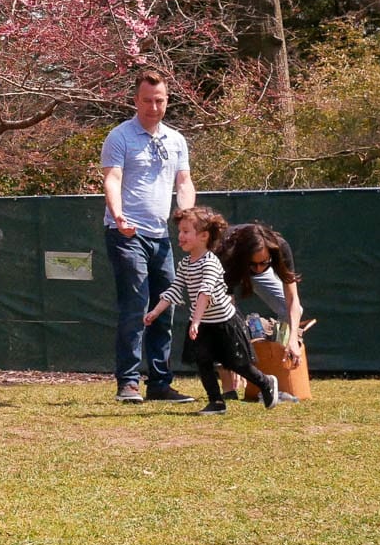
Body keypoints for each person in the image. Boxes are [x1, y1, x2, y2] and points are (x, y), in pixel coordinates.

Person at [99, 68, 197, 403]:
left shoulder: (176, 140)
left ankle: (159, 383)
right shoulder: (120, 137)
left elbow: (183, 184)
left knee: (165, 305)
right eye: (146, 101)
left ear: (167, 101)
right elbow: (112, 179)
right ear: (135, 101)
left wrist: (187, 219)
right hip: (126, 233)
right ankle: (128, 383)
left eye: (159, 100)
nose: (153, 107)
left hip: (161, 237)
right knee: (136, 304)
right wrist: (118, 214)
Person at [143, 207, 279, 415]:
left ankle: (266, 382)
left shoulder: (211, 263)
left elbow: (204, 293)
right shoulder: (186, 263)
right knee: (203, 361)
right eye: (180, 231)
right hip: (201, 323)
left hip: (224, 323)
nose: (180, 236)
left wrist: (196, 321)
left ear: (204, 236)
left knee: (237, 363)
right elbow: (174, 289)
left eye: (186, 231)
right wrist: (155, 312)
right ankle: (216, 402)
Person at [215, 221, 306, 397]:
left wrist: (293, 338)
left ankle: (279, 371)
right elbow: (226, 309)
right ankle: (229, 388)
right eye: (253, 264)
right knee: (217, 320)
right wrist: (234, 353)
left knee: (294, 311)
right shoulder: (227, 252)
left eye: (263, 262)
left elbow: (292, 299)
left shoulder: (280, 248)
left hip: (247, 263)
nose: (258, 269)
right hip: (230, 267)